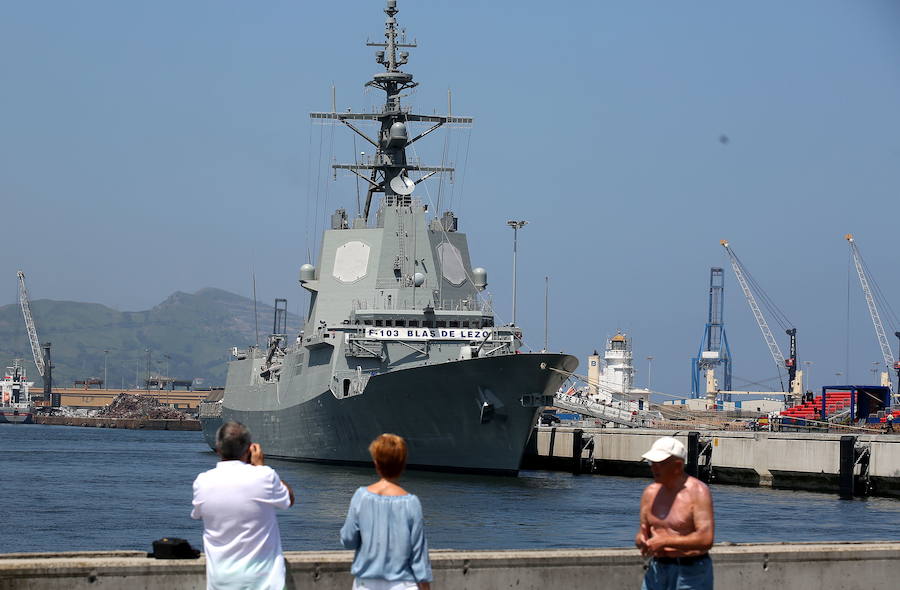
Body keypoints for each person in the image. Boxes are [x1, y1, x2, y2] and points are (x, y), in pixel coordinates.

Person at [192, 421, 295, 590]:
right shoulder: (264, 477)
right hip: (265, 583)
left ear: (218, 448)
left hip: (221, 583)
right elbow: (288, 499)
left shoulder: (202, 482)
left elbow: (198, 513)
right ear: (249, 448)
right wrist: (261, 467)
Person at [341, 433, 432, 590]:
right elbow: (419, 555)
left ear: (376, 463)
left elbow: (348, 540)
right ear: (403, 464)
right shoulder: (411, 502)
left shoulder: (361, 497)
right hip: (404, 584)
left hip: (366, 583)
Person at [635, 436, 714, 590]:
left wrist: (665, 542)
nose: (654, 468)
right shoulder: (649, 494)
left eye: (660, 464)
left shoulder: (698, 492)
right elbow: (643, 532)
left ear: (678, 466)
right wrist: (642, 540)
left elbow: (706, 538)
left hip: (690, 571)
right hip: (657, 569)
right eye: (652, 463)